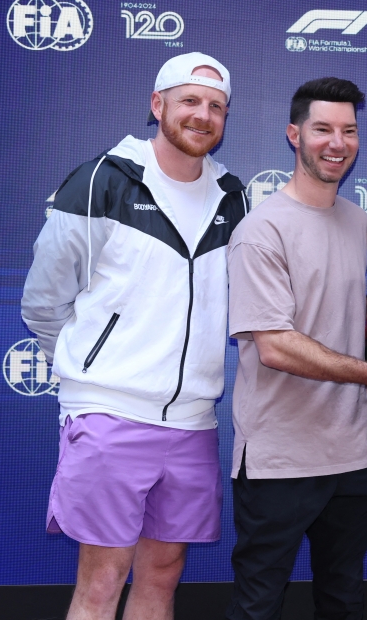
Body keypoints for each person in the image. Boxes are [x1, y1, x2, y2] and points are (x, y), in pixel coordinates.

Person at [21, 52, 246, 620]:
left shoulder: (233, 197)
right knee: (102, 581)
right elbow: (43, 302)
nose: (202, 115)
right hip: (109, 414)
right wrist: (91, 372)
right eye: (189, 101)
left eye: (215, 106)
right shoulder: (101, 180)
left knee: (163, 577)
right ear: (157, 105)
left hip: (193, 421)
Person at [224, 77, 367, 620]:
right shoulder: (260, 230)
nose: (336, 143)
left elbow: (340, 315)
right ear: (294, 135)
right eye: (322, 129)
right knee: (258, 607)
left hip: (355, 456)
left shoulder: (357, 220)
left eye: (348, 130)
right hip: (279, 461)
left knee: (343, 599)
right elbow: (275, 346)